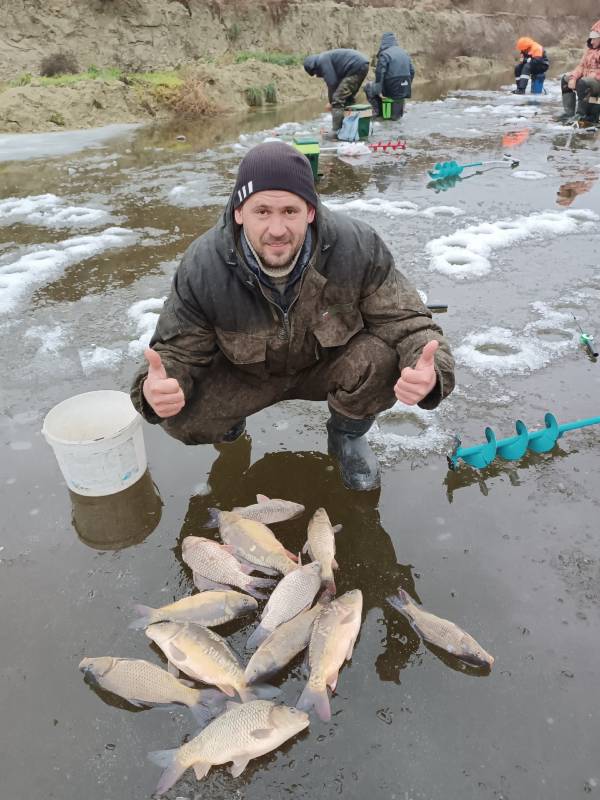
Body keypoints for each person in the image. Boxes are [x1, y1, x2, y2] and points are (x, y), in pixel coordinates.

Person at [130, 141, 455, 492]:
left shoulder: (357, 246)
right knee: (178, 410)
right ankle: (228, 428)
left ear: (310, 211)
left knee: (385, 358)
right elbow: (178, 352)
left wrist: (431, 372)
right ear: (239, 212)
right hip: (245, 376)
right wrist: (157, 389)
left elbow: (407, 322)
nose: (277, 229)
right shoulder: (203, 265)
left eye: (289, 211)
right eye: (262, 212)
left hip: (324, 365)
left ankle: (347, 436)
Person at [303, 48, 369, 135]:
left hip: (356, 66)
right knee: (347, 98)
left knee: (337, 100)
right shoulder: (326, 58)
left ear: (313, 66)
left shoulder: (322, 60)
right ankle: (352, 129)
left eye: (315, 73)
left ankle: (336, 132)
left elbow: (332, 83)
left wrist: (331, 103)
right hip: (361, 65)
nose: (317, 75)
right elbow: (337, 83)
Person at [364, 32, 415, 120]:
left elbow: (380, 73)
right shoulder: (404, 52)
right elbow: (412, 71)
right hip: (404, 87)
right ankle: (399, 111)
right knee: (398, 95)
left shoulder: (385, 54)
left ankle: (378, 113)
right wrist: (407, 85)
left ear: (384, 42)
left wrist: (378, 91)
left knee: (368, 87)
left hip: (391, 87)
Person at [559, 20, 600, 123]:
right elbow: (581, 66)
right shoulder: (590, 51)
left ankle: (581, 115)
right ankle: (569, 114)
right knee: (565, 80)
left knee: (583, 83)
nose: (591, 42)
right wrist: (573, 78)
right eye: (591, 38)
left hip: (596, 83)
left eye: (594, 39)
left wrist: (586, 78)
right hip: (588, 81)